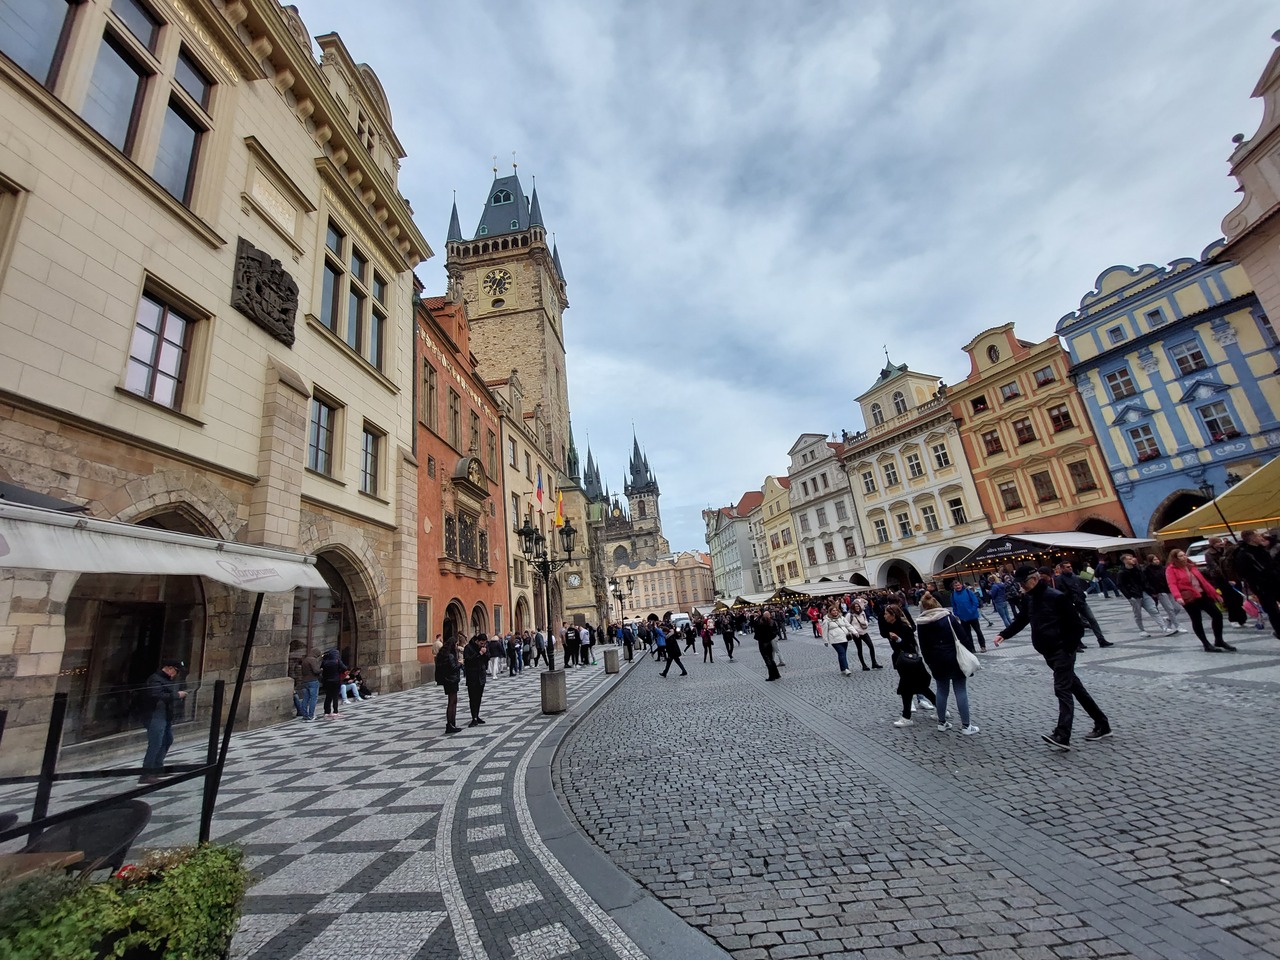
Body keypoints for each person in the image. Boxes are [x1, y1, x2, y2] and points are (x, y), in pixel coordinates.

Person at [995, 566, 1111, 751]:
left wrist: (1067, 649)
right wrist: (1004, 634)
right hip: (1047, 651)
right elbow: (1022, 619)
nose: (1021, 587)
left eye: (1023, 583)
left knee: (1062, 689)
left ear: (1034, 579)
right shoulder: (1029, 598)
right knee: (1076, 688)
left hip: (1061, 651)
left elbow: (1077, 626)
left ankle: (1062, 735)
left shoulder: (1056, 597)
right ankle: (1102, 724)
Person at [915, 595, 979, 735]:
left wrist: (929, 662)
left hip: (936, 660)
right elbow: (963, 636)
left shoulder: (921, 623)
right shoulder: (948, 617)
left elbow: (923, 646)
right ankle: (966, 726)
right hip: (955, 657)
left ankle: (942, 722)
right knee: (960, 690)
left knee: (941, 690)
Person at [1166, 549, 1236, 653]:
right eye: (1180, 556)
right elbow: (1172, 584)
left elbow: (1203, 582)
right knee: (1197, 619)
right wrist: (1178, 596)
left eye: (1184, 555)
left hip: (1202, 594)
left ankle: (1219, 640)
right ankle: (1206, 644)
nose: (1184, 557)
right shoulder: (1171, 569)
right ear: (1175, 558)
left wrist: (1215, 594)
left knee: (1217, 615)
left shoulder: (1191, 566)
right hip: (1188, 597)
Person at [883, 604, 937, 727]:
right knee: (919, 688)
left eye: (886, 614)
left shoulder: (903, 627)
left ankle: (906, 717)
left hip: (909, 662)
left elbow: (910, 645)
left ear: (893, 615)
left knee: (907, 689)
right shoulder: (891, 626)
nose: (884, 616)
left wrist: (898, 639)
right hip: (902, 661)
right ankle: (941, 709)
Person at [140, 659, 187, 783]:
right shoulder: (155, 679)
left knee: (167, 740)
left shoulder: (166, 680)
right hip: (154, 715)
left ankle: (157, 768)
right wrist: (177, 696)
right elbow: (156, 695)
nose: (176, 675)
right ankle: (146, 773)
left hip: (164, 715)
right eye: (176, 671)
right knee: (156, 743)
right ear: (170, 669)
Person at [1054, 561, 1111, 647]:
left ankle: (1101, 639)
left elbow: (1088, 579)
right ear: (1062, 568)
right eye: (1067, 567)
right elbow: (1061, 592)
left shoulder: (1074, 576)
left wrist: (1082, 594)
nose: (1070, 568)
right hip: (1071, 604)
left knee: (1092, 620)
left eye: (1070, 566)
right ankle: (1078, 642)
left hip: (1081, 601)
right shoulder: (1059, 579)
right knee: (1076, 624)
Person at [1235, 530, 1280, 639]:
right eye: (1258, 535)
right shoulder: (1244, 553)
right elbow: (1243, 573)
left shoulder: (1260, 550)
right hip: (1262, 587)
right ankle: (1279, 631)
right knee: (1273, 610)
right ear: (1252, 538)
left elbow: (1271, 565)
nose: (1261, 537)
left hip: (1275, 582)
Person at [1117, 553, 1172, 637]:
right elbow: (1121, 585)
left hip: (1143, 593)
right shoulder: (1122, 572)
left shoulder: (1137, 569)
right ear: (1124, 561)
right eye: (1129, 559)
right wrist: (1129, 596)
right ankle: (1141, 630)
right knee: (1138, 614)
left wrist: (1150, 591)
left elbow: (1144, 580)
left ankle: (1164, 627)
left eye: (1132, 558)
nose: (1132, 560)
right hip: (1134, 595)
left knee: (1153, 609)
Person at [1202, 538, 1247, 627]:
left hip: (1233, 576)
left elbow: (1233, 556)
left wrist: (1228, 544)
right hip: (1221, 579)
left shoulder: (1225, 550)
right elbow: (1215, 567)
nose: (1220, 544)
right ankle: (1233, 619)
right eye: (1217, 542)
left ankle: (1242, 619)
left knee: (1239, 598)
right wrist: (1226, 578)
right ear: (1212, 544)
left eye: (1220, 542)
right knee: (1230, 599)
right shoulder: (1209, 554)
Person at [1144, 554, 1186, 635]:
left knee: (1177, 608)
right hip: (1159, 591)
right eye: (1154, 560)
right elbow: (1147, 582)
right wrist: (1153, 591)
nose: (1157, 561)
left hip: (1169, 589)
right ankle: (1177, 626)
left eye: (1157, 559)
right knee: (1169, 609)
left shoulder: (1163, 568)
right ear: (1150, 561)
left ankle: (1169, 620)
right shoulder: (1147, 570)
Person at [950, 580, 987, 653]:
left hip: (973, 616)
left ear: (961, 585)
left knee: (978, 631)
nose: (958, 587)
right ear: (953, 587)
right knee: (967, 634)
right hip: (963, 618)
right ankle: (971, 648)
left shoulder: (968, 592)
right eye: (956, 586)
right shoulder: (953, 595)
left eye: (958, 585)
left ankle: (983, 646)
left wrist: (972, 610)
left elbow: (975, 601)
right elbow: (954, 605)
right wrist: (956, 613)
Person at [435, 635, 462, 734]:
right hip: (452, 680)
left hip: (447, 680)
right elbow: (454, 668)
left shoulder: (444, 655)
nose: (456, 646)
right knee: (452, 702)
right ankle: (451, 724)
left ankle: (451, 724)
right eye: (456, 644)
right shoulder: (450, 655)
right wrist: (460, 663)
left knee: (452, 702)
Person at [463, 633, 490, 726]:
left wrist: (485, 653)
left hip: (481, 675)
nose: (483, 645)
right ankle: (473, 717)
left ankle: (477, 715)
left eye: (484, 643)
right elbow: (468, 661)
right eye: (481, 643)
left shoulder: (485, 647)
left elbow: (488, 658)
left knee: (479, 697)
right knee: (473, 697)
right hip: (472, 676)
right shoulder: (468, 648)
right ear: (477, 641)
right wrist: (479, 653)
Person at [848, 599, 881, 670]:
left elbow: (866, 619)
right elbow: (847, 624)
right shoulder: (850, 615)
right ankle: (864, 665)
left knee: (871, 646)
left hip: (864, 632)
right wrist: (853, 631)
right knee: (860, 649)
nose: (857, 608)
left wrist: (866, 623)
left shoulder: (862, 612)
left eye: (858, 606)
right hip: (856, 634)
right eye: (856, 606)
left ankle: (874, 663)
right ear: (853, 607)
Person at [822, 603, 855, 676]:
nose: (835, 612)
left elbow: (848, 625)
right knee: (842, 653)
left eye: (836, 610)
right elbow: (824, 631)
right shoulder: (826, 621)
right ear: (830, 612)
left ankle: (842, 668)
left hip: (844, 638)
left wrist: (854, 632)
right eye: (833, 611)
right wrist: (825, 641)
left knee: (842, 654)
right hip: (835, 640)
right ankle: (846, 668)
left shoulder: (841, 618)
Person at [320, 648, 347, 718]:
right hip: (336, 680)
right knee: (335, 696)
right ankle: (335, 711)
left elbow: (322, 669)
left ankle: (327, 712)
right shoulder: (337, 661)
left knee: (328, 696)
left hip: (327, 681)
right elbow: (344, 668)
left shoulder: (325, 662)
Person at [755, 611, 782, 680]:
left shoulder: (762, 623)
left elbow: (756, 629)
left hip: (763, 642)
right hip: (769, 641)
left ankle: (772, 676)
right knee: (771, 658)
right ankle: (776, 674)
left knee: (767, 659)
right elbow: (776, 632)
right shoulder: (772, 622)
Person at [296, 648, 320, 721]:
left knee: (305, 698)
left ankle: (305, 715)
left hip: (304, 681)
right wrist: (321, 670)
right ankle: (311, 715)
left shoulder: (305, 660)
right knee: (313, 698)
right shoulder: (313, 660)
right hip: (312, 681)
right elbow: (316, 671)